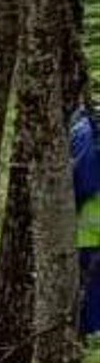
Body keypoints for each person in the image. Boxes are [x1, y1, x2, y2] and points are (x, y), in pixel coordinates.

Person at [70, 101, 100, 336]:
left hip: (87, 233)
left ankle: (84, 338)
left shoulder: (84, 130)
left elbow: (84, 180)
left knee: (87, 294)